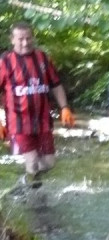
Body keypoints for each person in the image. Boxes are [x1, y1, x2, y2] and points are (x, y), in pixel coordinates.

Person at [0, 21, 75, 187]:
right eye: (20, 39)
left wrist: (64, 108)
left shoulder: (42, 58)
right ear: (12, 39)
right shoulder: (5, 62)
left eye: (28, 38)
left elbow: (55, 84)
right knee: (33, 161)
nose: (25, 43)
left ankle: (25, 183)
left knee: (49, 163)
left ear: (33, 38)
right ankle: (35, 198)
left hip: (43, 121)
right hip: (18, 123)